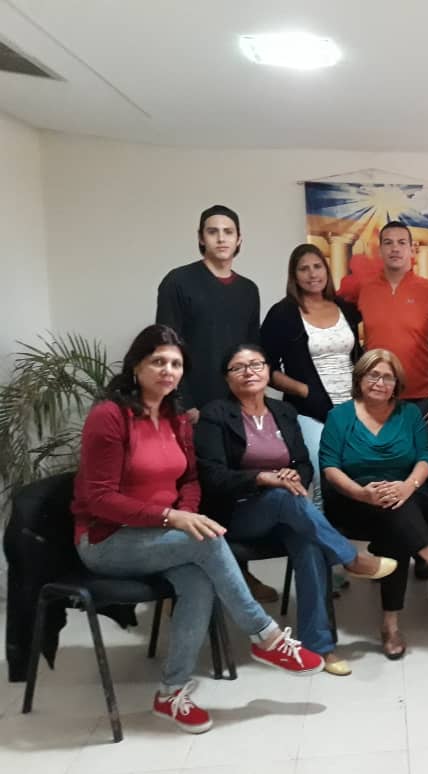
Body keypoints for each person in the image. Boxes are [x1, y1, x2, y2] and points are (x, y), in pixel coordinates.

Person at [72, 325, 324, 735]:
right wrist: (173, 520)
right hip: (107, 540)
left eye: (175, 364)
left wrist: (186, 515)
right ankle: (266, 636)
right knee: (208, 542)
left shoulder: (175, 418)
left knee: (199, 582)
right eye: (158, 361)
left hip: (161, 537)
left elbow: (190, 480)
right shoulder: (110, 416)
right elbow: (100, 498)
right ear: (136, 366)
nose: (168, 370)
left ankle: (171, 693)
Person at [194, 343, 396, 676]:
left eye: (256, 364)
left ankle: (319, 648)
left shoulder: (284, 412)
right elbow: (212, 476)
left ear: (267, 371)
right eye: (239, 367)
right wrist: (263, 478)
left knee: (310, 544)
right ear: (227, 378)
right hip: (237, 515)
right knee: (286, 498)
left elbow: (303, 464)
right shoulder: (215, 414)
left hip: (285, 513)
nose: (249, 372)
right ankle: (350, 557)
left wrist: (292, 475)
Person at [156, 204, 276, 603]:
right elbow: (167, 347)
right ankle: (187, 586)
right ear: (201, 238)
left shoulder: (248, 290)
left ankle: (239, 576)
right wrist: (183, 402)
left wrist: (253, 399)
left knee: (233, 489)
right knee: (194, 493)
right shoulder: (179, 281)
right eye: (213, 231)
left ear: (239, 239)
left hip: (235, 406)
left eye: (228, 231)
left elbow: (251, 349)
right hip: (192, 407)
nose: (221, 238)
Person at [320, 349, 428, 659]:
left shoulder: (410, 414)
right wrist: (362, 493)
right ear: (359, 378)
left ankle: (391, 624)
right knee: (398, 518)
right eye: (373, 375)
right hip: (353, 501)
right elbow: (329, 466)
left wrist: (407, 486)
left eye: (387, 377)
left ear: (397, 384)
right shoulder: (339, 416)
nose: (380, 383)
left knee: (397, 518)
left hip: (407, 496)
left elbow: (425, 458)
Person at [339, 220, 428, 578]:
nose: (395, 248)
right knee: (384, 474)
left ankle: (425, 556)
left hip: (422, 400)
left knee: (423, 476)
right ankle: (389, 548)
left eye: (402, 242)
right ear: (380, 249)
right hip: (378, 402)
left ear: (412, 250)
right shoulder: (364, 291)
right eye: (388, 242)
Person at [260, 243, 363, 507]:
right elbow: (266, 368)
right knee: (320, 481)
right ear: (294, 276)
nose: (312, 274)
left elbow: (358, 356)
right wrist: (304, 391)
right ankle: (319, 533)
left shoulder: (346, 309)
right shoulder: (283, 313)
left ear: (327, 270)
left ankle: (345, 532)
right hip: (310, 411)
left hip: (352, 409)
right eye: (303, 269)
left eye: (317, 266)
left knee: (355, 478)